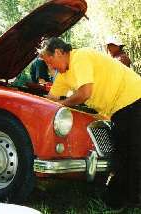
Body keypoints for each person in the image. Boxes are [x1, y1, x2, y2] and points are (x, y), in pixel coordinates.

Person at [38, 37, 141, 209]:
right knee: (125, 153)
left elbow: (85, 93)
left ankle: (128, 200)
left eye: (50, 62)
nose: (51, 68)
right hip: (120, 109)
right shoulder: (63, 75)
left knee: (131, 153)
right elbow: (51, 100)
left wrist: (63, 104)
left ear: (58, 52)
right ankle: (122, 198)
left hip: (134, 98)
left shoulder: (81, 57)